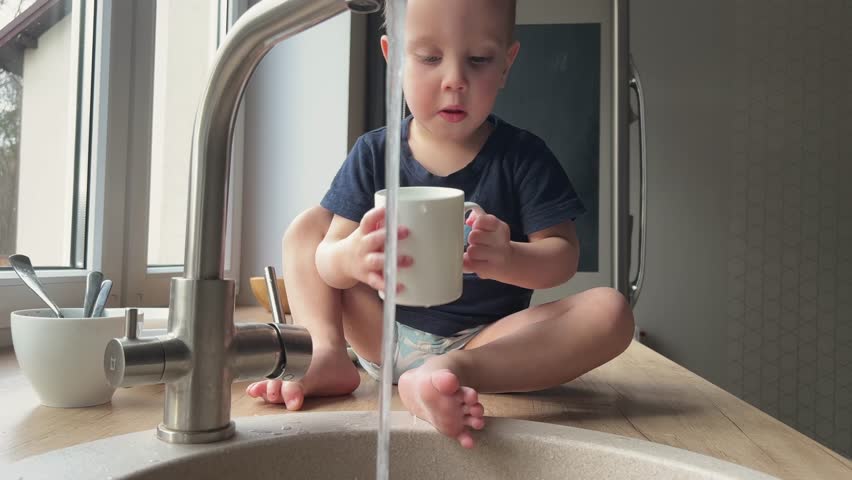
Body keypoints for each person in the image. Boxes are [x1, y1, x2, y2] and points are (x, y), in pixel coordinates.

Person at [247, 0, 634, 449]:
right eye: (430, 58)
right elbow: (328, 263)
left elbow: (563, 258)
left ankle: (447, 375)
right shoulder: (375, 152)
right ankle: (328, 353)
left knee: (611, 311)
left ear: (507, 63)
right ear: (393, 58)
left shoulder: (524, 157)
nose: (455, 80)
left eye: (479, 60)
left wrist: (510, 258)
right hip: (378, 327)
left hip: (482, 341)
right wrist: (352, 256)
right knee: (307, 227)